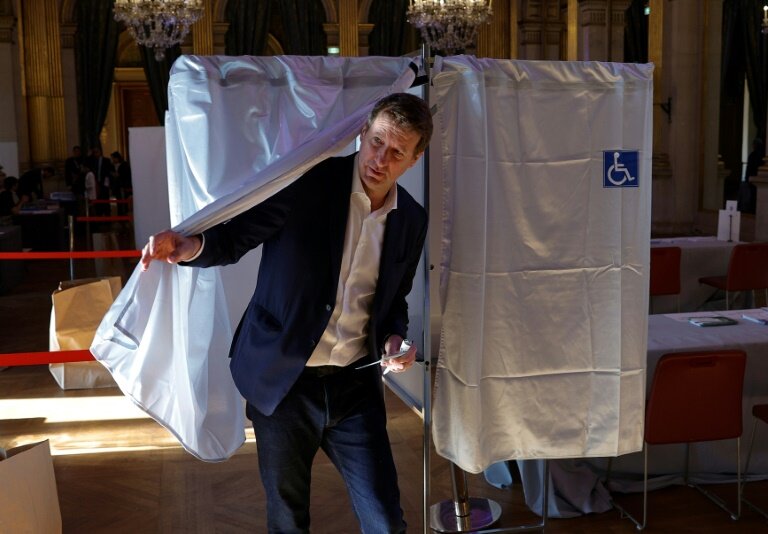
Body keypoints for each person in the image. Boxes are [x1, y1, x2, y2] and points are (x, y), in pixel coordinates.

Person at [140, 93, 432, 533]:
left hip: (355, 386)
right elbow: (238, 235)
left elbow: (395, 299)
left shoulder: (412, 218)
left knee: (386, 521)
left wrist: (394, 339)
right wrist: (186, 248)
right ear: (362, 133)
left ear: (415, 158)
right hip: (284, 383)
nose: (379, 159)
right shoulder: (309, 183)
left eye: (396, 152)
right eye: (375, 142)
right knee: (288, 519)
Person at [110, 151, 132, 215]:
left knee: (124, 201)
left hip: (123, 186)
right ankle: (120, 214)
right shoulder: (112, 166)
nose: (112, 160)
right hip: (117, 186)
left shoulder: (124, 164)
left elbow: (125, 174)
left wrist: (118, 175)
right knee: (118, 201)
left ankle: (124, 214)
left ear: (117, 158)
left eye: (113, 158)